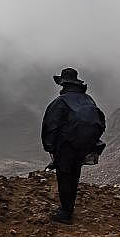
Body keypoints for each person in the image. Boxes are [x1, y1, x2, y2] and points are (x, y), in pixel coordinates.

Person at [41, 67, 106, 224]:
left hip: (66, 146)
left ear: (63, 84)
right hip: (84, 146)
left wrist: (50, 148)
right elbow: (100, 122)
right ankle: (68, 208)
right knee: (74, 176)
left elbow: (50, 125)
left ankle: (65, 213)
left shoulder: (60, 102)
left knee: (64, 176)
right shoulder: (88, 99)